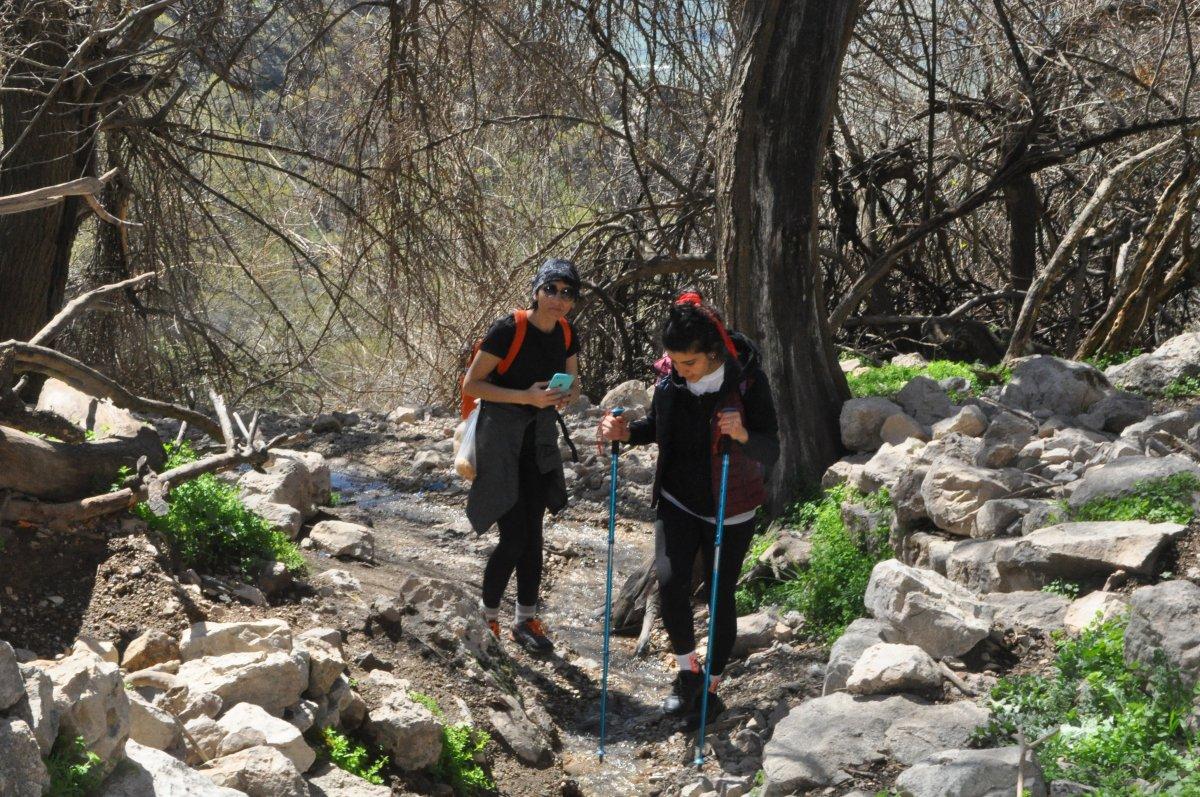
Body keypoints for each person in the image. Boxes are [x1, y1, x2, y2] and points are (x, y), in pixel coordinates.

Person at [598, 292, 779, 725]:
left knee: (720, 595)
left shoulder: (748, 382)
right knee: (670, 581)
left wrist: (741, 436)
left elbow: (770, 447)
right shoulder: (669, 381)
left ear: (713, 354)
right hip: (678, 497)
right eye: (675, 362)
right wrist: (622, 433)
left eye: (689, 364)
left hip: (729, 506)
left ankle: (712, 688)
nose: (680, 371)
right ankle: (688, 675)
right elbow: (659, 430)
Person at [462, 258, 583, 653]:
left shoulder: (566, 332)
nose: (559, 299)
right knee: (513, 536)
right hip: (500, 440)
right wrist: (526, 397)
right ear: (536, 290)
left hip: (539, 442)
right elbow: (472, 384)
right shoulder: (507, 329)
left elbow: (575, 385)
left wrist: (564, 396)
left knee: (534, 534)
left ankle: (526, 619)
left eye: (567, 293)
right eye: (552, 289)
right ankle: (488, 617)